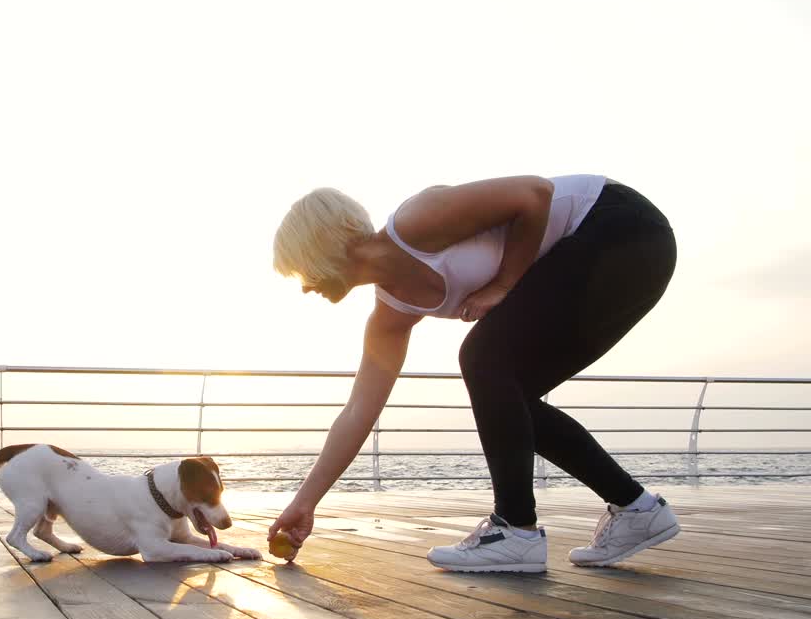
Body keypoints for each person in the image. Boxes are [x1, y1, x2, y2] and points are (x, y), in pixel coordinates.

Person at [267, 175, 680, 572]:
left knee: (482, 357)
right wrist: (306, 502)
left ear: (327, 239)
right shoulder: (390, 316)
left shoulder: (417, 221)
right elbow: (357, 412)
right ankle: (637, 509)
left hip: (622, 225)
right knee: (508, 399)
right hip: (622, 263)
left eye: (303, 270)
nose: (306, 287)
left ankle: (515, 530)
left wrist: (503, 284)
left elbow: (535, 195)